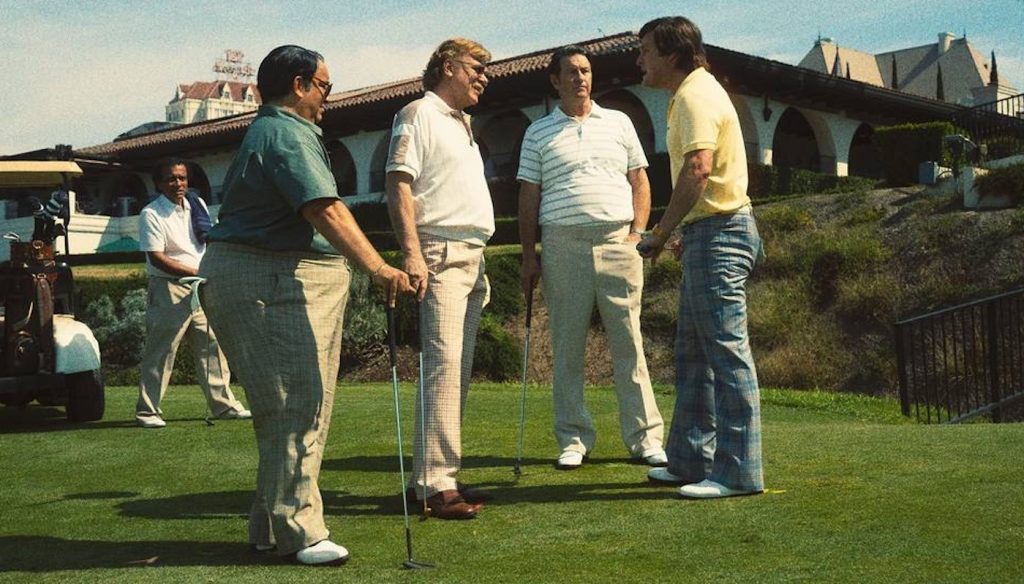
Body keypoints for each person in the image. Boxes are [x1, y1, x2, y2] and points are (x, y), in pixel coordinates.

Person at [199, 45, 413, 565]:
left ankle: (270, 528)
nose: (327, 99)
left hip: (269, 273)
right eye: (324, 87)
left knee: (286, 407)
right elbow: (325, 209)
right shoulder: (285, 132)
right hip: (269, 276)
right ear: (298, 85)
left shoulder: (278, 131)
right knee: (298, 402)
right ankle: (301, 532)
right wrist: (380, 267)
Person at [518, 46, 666, 470]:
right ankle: (573, 438)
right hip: (563, 244)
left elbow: (639, 180)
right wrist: (529, 256)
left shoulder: (619, 123)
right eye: (571, 71)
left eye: (586, 71)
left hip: (618, 241)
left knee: (629, 344)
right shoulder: (538, 132)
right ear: (555, 80)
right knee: (567, 345)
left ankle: (644, 438)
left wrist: (637, 232)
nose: (581, 78)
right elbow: (529, 197)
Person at [635, 17, 765, 499]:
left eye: (646, 50)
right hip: (708, 233)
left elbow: (698, 169)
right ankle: (690, 459)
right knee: (694, 354)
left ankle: (739, 473)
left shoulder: (693, 94)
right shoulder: (690, 93)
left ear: (672, 53)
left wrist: (662, 230)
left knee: (727, 356)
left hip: (721, 234)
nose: (640, 59)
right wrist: (684, 230)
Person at [385, 37, 494, 520]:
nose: (483, 77)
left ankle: (438, 475)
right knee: (444, 367)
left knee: (458, 370)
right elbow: (398, 183)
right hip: (440, 252)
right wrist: (412, 252)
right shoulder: (417, 114)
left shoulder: (462, 123)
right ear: (447, 67)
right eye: (476, 67)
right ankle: (433, 485)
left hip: (474, 255)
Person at [135, 159, 250, 429]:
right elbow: (157, 258)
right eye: (172, 179)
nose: (179, 184)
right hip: (169, 288)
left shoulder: (196, 206)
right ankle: (147, 412)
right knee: (161, 352)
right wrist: (198, 271)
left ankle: (224, 406)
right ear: (159, 183)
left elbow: (209, 241)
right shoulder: (150, 214)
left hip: (200, 286)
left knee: (212, 347)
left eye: (183, 178)